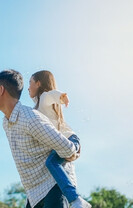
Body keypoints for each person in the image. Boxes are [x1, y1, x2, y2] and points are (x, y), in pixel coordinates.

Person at [0, 69, 80, 208]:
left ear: (1, 90)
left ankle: (77, 200)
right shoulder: (6, 122)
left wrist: (74, 148)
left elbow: (67, 148)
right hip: (34, 192)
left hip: (53, 185)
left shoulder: (30, 117)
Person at [29, 70, 91, 208]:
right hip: (65, 142)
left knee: (51, 162)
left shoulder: (45, 98)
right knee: (51, 162)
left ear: (38, 83)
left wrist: (62, 97)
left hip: (70, 139)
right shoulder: (38, 106)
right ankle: (75, 199)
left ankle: (75, 199)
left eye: (30, 83)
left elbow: (51, 94)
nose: (28, 87)